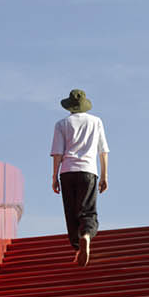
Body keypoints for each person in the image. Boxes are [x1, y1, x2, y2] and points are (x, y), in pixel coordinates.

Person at [51, 88, 109, 266]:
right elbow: (103, 151)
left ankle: (77, 248)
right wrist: (104, 176)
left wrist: (54, 177)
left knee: (71, 212)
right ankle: (86, 235)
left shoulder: (61, 124)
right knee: (87, 210)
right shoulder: (96, 121)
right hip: (88, 171)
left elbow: (57, 153)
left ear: (69, 107)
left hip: (67, 172)